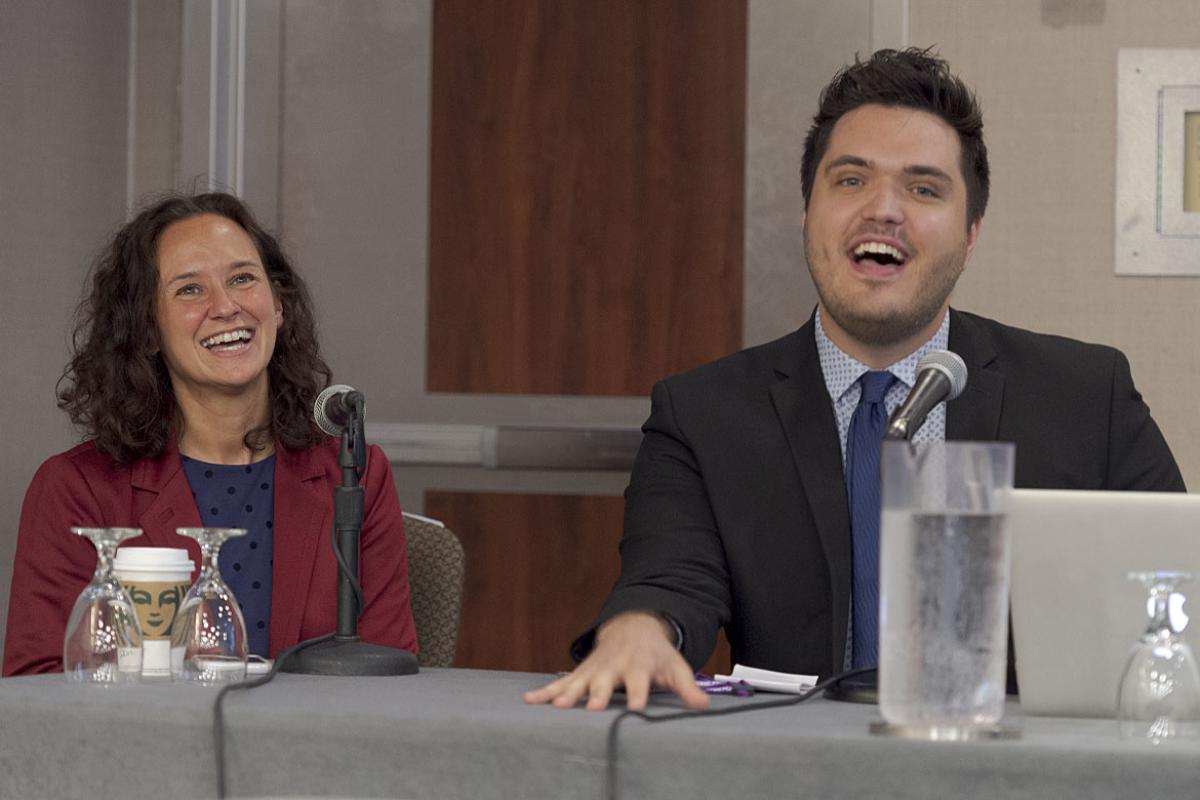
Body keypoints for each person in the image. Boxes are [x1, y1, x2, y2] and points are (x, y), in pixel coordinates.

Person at [525, 47, 1184, 712]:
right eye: (850, 180)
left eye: (923, 189)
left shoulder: (1085, 398)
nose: (883, 210)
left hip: (1012, 760)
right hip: (799, 760)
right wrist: (638, 632)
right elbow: (668, 580)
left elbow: (1178, 591)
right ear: (807, 213)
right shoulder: (704, 413)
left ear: (970, 234)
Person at [3, 192, 418, 676]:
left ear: (278, 305)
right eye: (189, 290)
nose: (225, 307)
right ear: (147, 330)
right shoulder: (77, 489)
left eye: (242, 279)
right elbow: (39, 681)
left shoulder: (354, 475)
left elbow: (388, 673)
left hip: (316, 729)